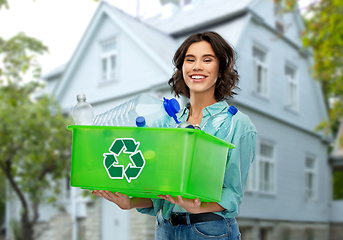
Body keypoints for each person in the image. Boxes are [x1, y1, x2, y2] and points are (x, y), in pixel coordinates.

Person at [92, 31, 257, 240]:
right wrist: (130, 202)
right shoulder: (167, 121)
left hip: (208, 230)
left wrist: (198, 207)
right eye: (190, 60)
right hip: (166, 228)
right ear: (182, 68)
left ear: (221, 68)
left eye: (207, 59)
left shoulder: (237, 124)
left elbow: (233, 194)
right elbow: (161, 193)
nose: (197, 66)